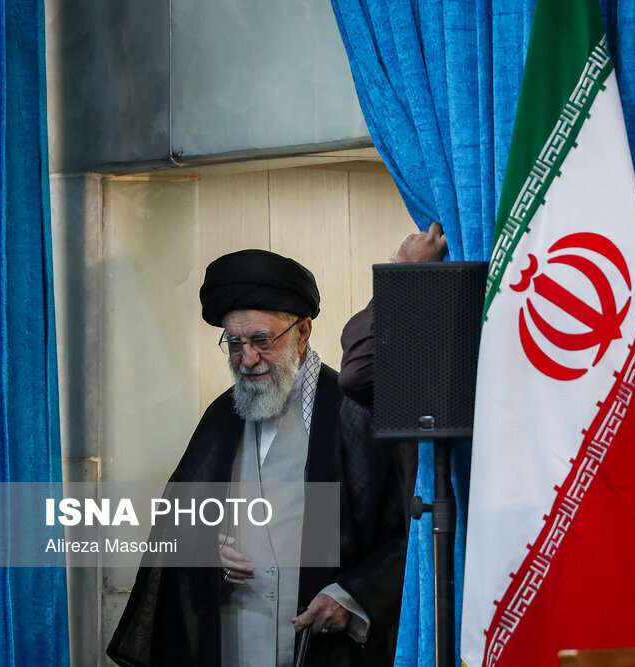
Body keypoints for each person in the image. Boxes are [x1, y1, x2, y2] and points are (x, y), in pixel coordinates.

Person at [106, 224, 448, 667]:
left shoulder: (352, 412)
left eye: (261, 340)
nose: (246, 359)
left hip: (323, 652)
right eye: (235, 343)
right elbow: (176, 525)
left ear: (302, 332)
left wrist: (351, 597)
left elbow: (408, 532)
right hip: (230, 647)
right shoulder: (221, 418)